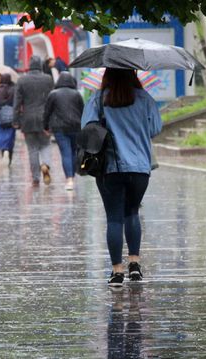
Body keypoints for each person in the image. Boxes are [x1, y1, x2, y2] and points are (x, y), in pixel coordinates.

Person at [81, 68, 162, 287]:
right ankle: (134, 265)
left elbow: (86, 129)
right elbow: (155, 128)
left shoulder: (98, 99)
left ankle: (117, 272)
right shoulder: (144, 98)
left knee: (114, 218)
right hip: (139, 168)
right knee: (132, 212)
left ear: (107, 75)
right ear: (132, 74)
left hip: (110, 167)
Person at [13, 55, 55, 186]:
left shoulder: (22, 80)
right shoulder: (48, 79)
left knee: (32, 149)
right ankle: (46, 165)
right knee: (46, 144)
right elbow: (52, 99)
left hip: (28, 119)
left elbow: (17, 102)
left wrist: (16, 120)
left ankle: (36, 178)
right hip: (45, 119)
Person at [43, 71, 84, 190]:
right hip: (76, 127)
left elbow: (47, 112)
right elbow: (82, 111)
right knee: (73, 152)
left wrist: (45, 126)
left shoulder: (53, 94)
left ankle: (69, 179)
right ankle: (72, 176)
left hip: (59, 127)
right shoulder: (76, 94)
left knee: (65, 153)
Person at [0, 73, 16, 165]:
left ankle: (3, 151)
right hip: (11, 118)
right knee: (10, 137)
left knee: (1, 136)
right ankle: (9, 156)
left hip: (0, 118)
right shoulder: (14, 90)